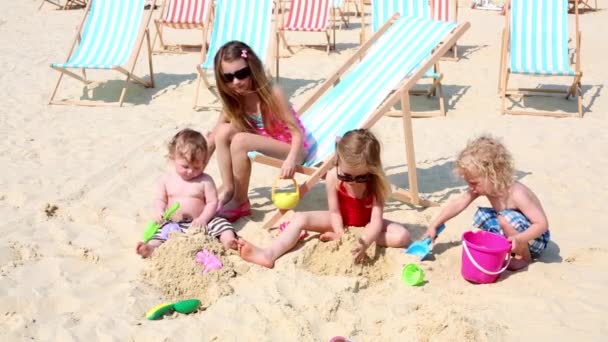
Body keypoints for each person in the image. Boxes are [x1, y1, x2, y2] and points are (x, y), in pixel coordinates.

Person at [238, 129, 412, 268]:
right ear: (338, 162)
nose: (353, 182)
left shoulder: (375, 184)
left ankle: (355, 238)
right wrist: (339, 232)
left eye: (361, 178)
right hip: (340, 220)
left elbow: (375, 222)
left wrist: (365, 241)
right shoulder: (333, 177)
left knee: (402, 236)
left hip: (366, 225)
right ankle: (269, 254)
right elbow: (335, 212)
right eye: (347, 176)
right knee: (300, 218)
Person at [206, 40, 309, 222]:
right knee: (222, 131)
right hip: (265, 140)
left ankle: (240, 201)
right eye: (228, 78)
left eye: (242, 74)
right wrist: (192, 173)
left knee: (240, 140)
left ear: (252, 68)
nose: (236, 82)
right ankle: (230, 191)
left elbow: (296, 133)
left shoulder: (272, 94)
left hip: (293, 149)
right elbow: (214, 138)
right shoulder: (235, 98)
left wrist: (292, 159)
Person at [423, 135, 550, 270]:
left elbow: (542, 224)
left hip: (534, 239)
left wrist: (520, 239)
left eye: (474, 183)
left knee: (503, 219)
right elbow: (459, 203)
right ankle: (510, 248)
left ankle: (524, 258)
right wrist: (435, 225)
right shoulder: (485, 186)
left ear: (493, 174)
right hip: (514, 235)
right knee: (485, 216)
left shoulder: (517, 193)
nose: (471, 187)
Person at [136, 129, 237, 258]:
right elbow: (160, 199)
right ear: (172, 158)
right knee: (160, 233)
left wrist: (203, 218)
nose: (190, 171)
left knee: (222, 224)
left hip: (200, 222)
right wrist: (159, 212)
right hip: (174, 223)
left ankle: (228, 241)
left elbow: (212, 202)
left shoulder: (205, 180)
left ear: (204, 162)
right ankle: (150, 248)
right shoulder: (166, 180)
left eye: (197, 167)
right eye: (185, 166)